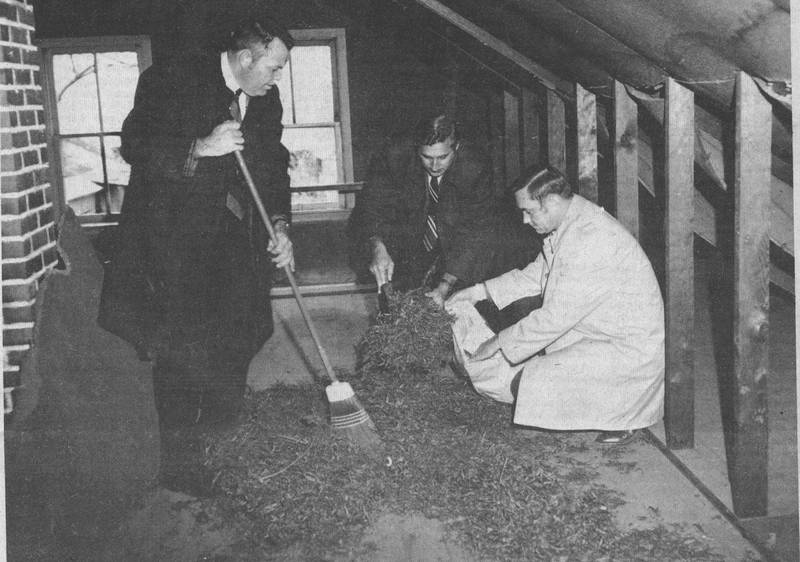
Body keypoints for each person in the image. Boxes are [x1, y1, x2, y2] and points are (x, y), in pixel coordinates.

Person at [98, 16, 294, 486]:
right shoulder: (170, 78)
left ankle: (223, 443)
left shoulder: (266, 101)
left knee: (241, 335)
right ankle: (182, 468)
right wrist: (199, 147)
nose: (277, 77)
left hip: (234, 241)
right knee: (183, 351)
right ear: (246, 58)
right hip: (175, 245)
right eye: (275, 67)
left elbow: (273, 168)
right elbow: (134, 143)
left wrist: (282, 226)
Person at [447, 167, 665, 444]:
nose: (525, 221)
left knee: (525, 384)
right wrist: (477, 292)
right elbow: (537, 275)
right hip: (598, 336)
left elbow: (556, 317)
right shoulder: (570, 224)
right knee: (525, 381)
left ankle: (624, 416)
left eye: (529, 211)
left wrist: (498, 342)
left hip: (625, 352)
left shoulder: (589, 238)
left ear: (550, 202)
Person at [348, 114, 537, 306]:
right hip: (407, 239)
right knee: (395, 304)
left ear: (456, 148)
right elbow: (370, 207)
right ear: (416, 150)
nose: (435, 166)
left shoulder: (475, 167)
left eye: (443, 157)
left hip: (453, 242)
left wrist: (445, 284)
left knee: (456, 303)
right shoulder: (393, 158)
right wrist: (377, 246)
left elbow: (476, 232)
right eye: (427, 157)